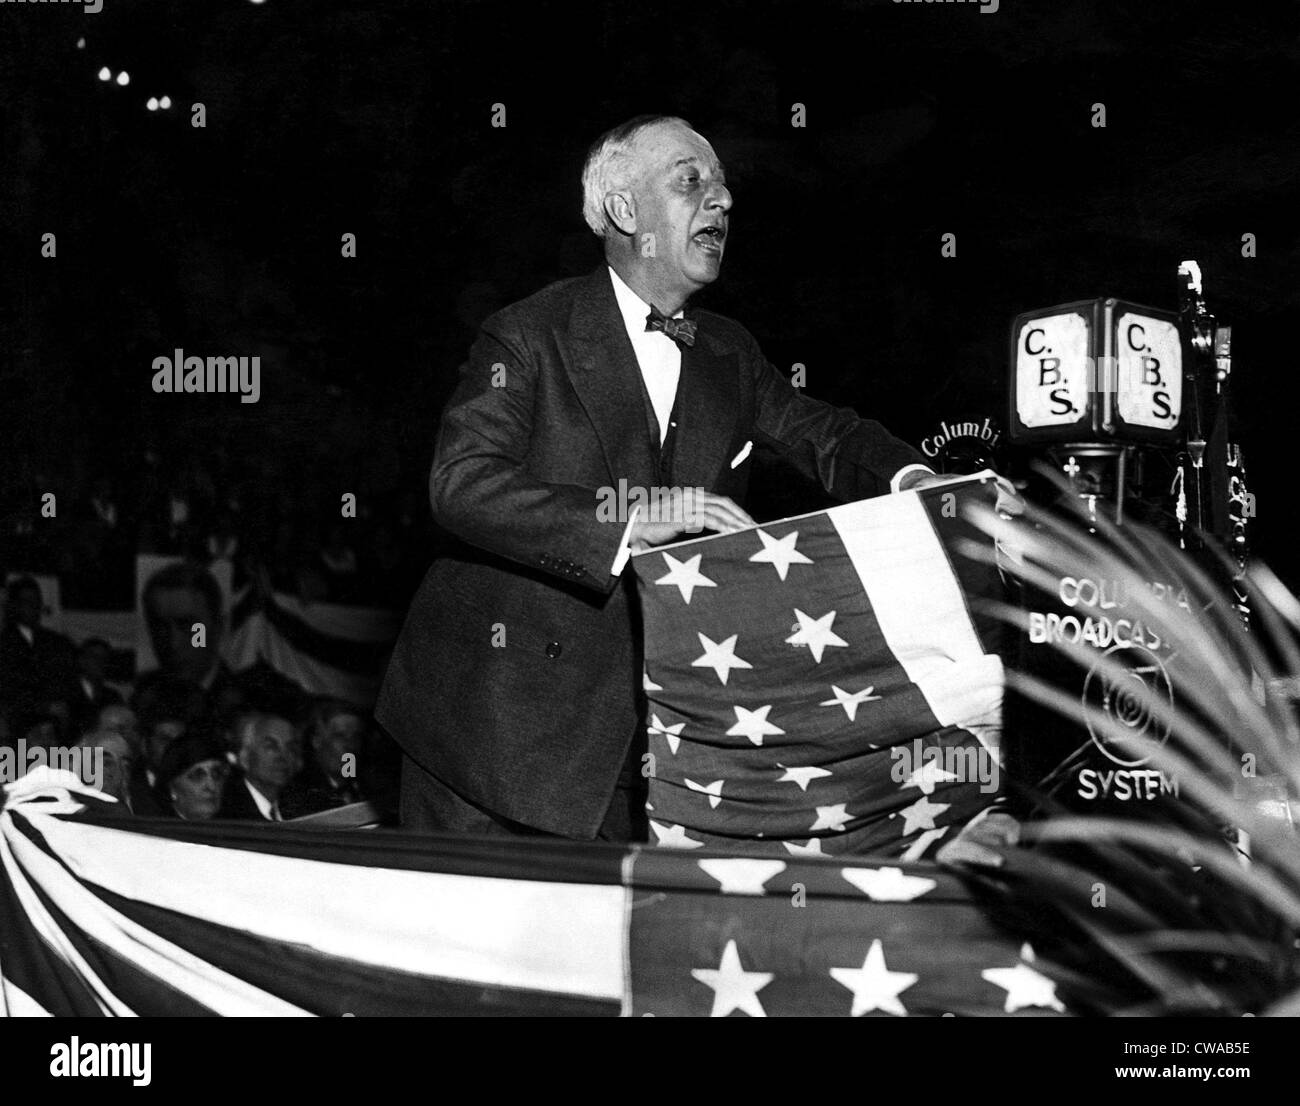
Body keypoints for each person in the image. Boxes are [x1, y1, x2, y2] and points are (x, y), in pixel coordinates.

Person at [378, 114, 953, 844]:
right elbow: (460, 483)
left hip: (652, 738)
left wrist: (915, 480)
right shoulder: (526, 334)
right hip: (490, 736)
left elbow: (825, 435)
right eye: (692, 181)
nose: (722, 202)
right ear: (624, 212)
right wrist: (627, 519)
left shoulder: (728, 351)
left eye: (722, 187)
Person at [216, 712, 302, 821]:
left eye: (290, 748)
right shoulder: (229, 814)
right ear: (245, 757)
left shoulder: (297, 808)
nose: (283, 756)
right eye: (271, 747)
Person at [156, 732, 229, 821]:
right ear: (172, 788)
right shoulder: (154, 829)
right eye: (198, 777)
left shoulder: (236, 827)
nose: (211, 786)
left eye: (217, 774)